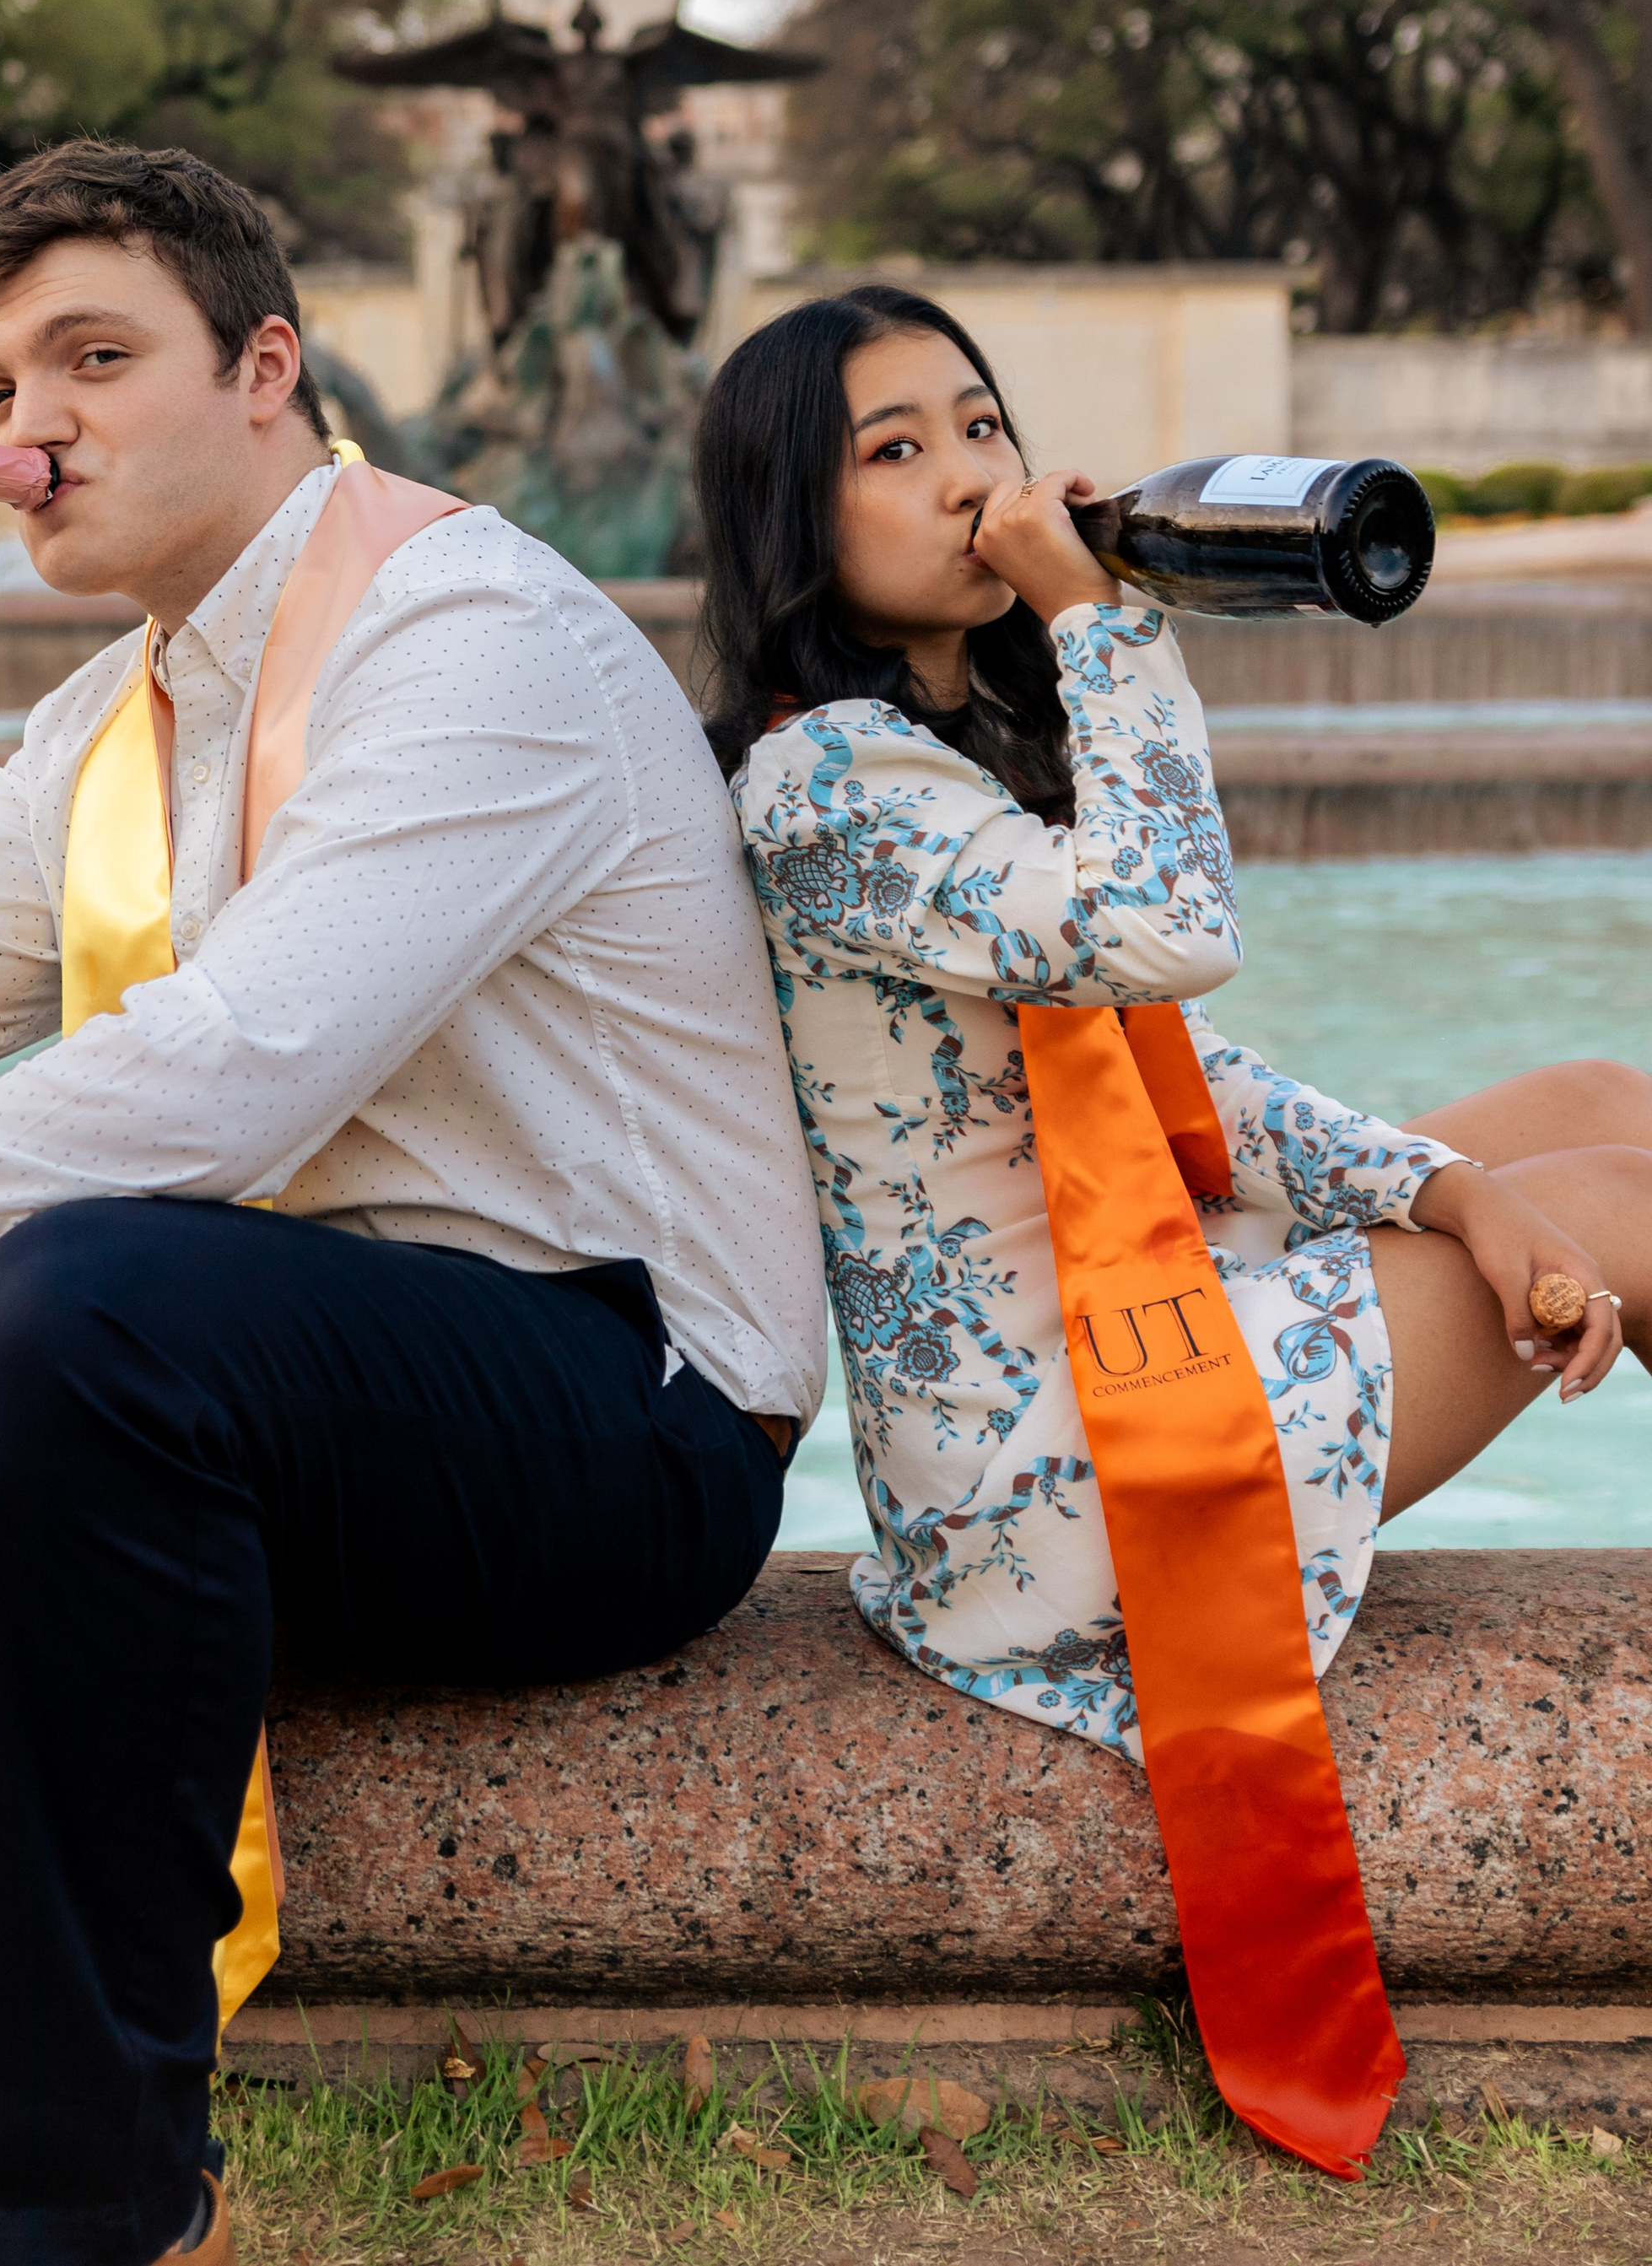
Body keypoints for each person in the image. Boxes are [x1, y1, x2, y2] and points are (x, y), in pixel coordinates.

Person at [0, 145, 825, 2266]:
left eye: (97, 360)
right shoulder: (120, 711)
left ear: (265, 369)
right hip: (239, 1382)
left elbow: (237, 1068)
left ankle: (65, 2212)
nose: (30, 425)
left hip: (616, 1416)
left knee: (76, 1289)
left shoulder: (465, 628)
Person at [697, 282, 1652, 1760]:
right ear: (791, 519)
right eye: (893, 452)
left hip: (1143, 1303)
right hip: (1058, 1480)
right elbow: (1168, 932)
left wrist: (1453, 1190)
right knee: (1624, 1205)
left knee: (1603, 1098)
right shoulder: (824, 786)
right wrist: (1093, 615)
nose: (969, 474)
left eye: (981, 423)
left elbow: (1177, 1077)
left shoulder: (945, 752)